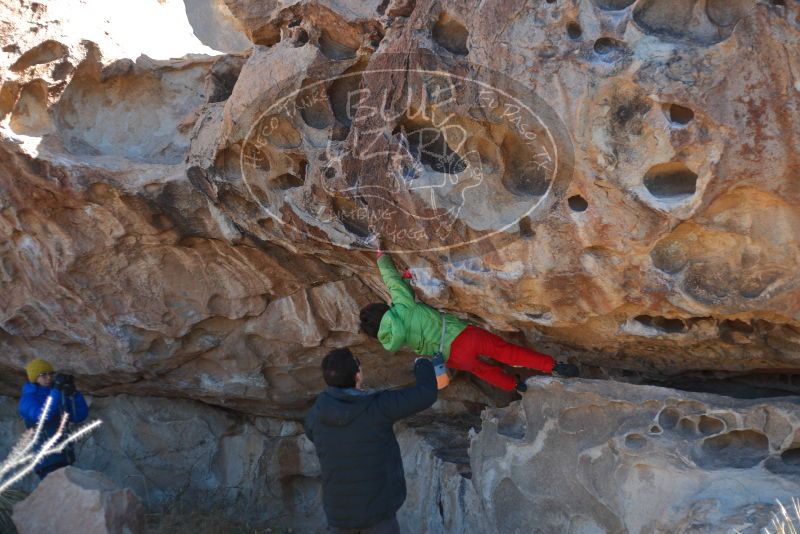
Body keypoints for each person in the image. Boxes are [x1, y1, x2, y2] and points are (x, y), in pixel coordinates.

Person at [360, 252, 579, 393]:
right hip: (463, 336)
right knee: (505, 352)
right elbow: (392, 280)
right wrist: (381, 257)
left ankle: (516, 386)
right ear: (382, 309)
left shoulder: (391, 339)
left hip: (452, 358)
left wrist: (408, 279)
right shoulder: (401, 307)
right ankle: (552, 366)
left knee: (482, 370)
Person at [304, 348, 437, 533]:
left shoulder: (317, 412)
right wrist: (422, 362)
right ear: (358, 375)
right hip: (377, 513)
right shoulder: (377, 407)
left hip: (338, 514)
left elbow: (311, 433)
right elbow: (426, 394)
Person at [17, 358, 89, 479]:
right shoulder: (27, 400)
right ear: (34, 378)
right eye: (43, 375)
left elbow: (78, 417)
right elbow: (42, 417)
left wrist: (75, 394)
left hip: (65, 455)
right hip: (47, 460)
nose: (48, 377)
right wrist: (56, 391)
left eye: (50, 374)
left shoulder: (56, 394)